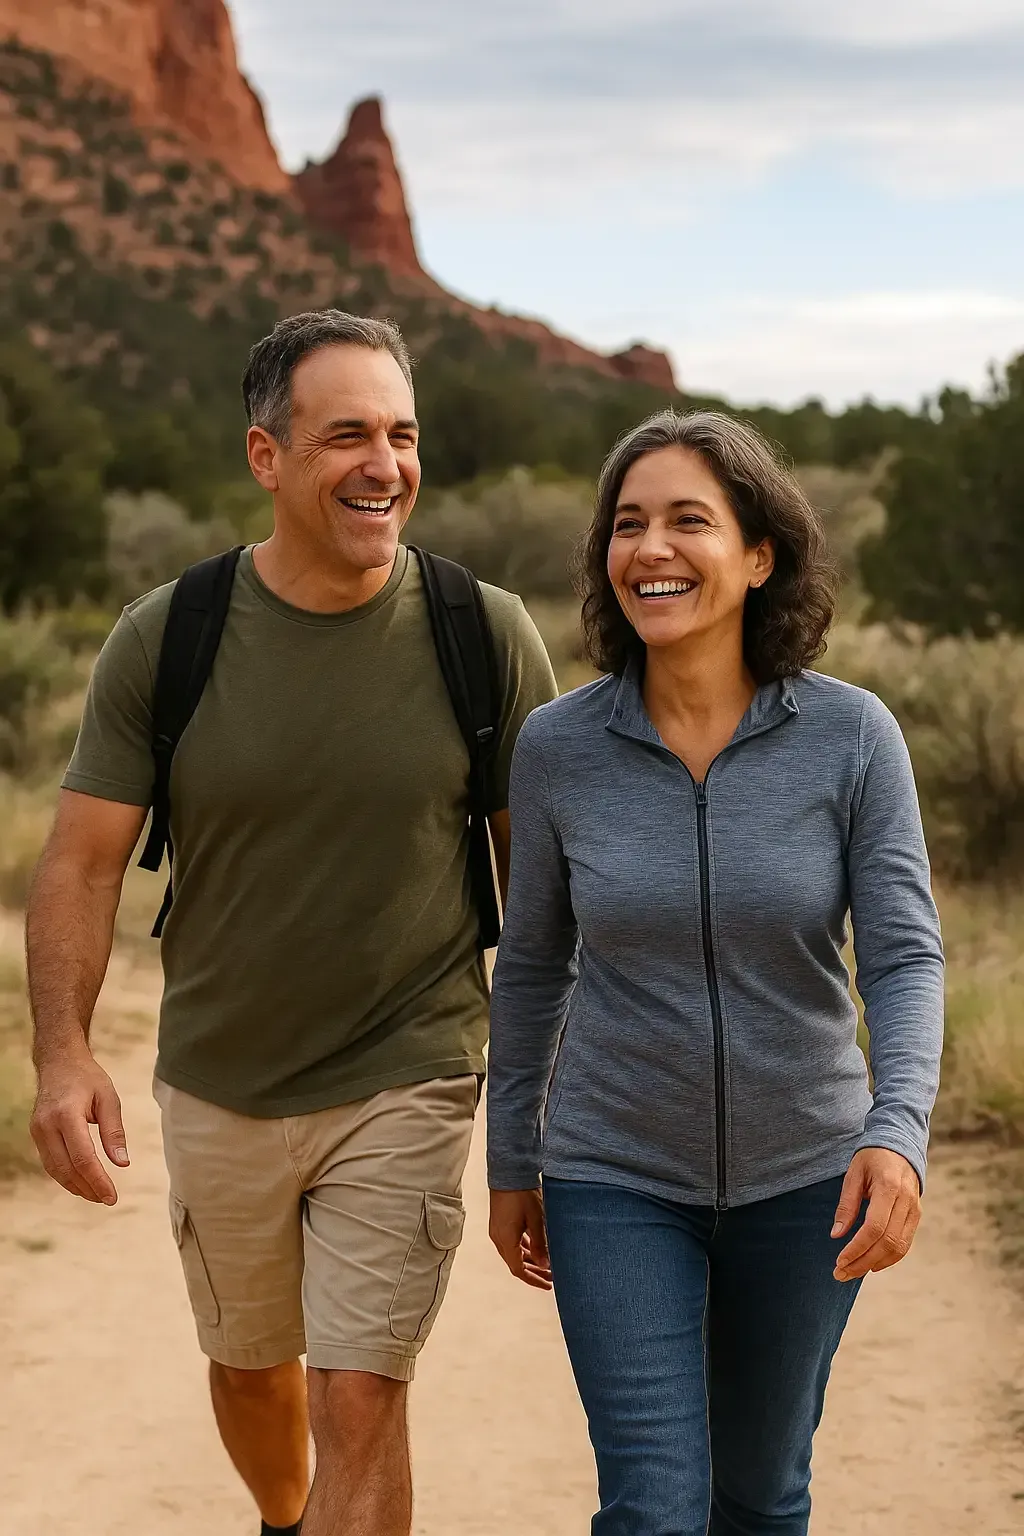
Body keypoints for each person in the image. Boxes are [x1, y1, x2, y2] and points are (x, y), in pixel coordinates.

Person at [26, 309, 558, 1536]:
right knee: (253, 1371)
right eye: (347, 437)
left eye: (403, 434)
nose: (386, 465)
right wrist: (61, 1053)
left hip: (409, 1069)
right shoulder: (173, 635)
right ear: (268, 456)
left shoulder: (484, 635)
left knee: (360, 1389)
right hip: (220, 1077)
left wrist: (540, 1111)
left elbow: (541, 899)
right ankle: (284, 1519)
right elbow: (83, 863)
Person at [486, 409, 944, 1536]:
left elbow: (901, 952)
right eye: (627, 523)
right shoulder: (558, 747)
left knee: (759, 1491)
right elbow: (534, 962)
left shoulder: (851, 738)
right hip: (613, 1174)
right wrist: (512, 1156)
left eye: (689, 520)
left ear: (757, 555)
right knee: (652, 1504)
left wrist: (898, 1131)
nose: (651, 548)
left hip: (808, 1177)